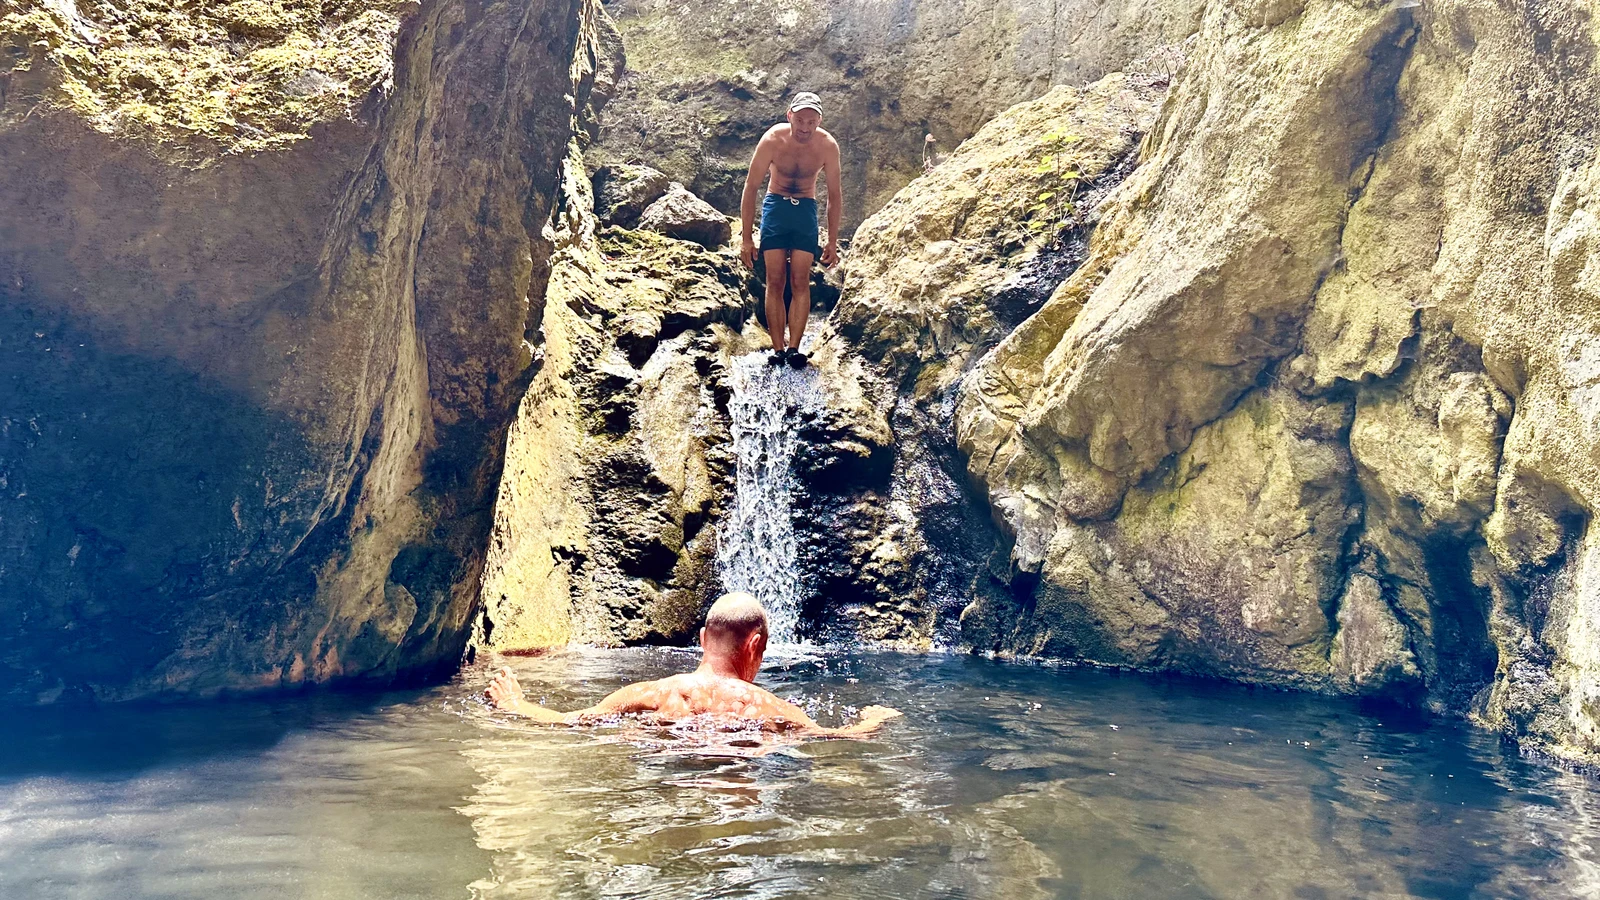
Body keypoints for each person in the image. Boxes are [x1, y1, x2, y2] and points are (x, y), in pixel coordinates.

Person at [485, 592, 901, 736]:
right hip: (739, 790)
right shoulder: (770, 709)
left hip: (666, 775)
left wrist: (515, 705)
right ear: (755, 645)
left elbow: (571, 721)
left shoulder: (646, 694)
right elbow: (838, 738)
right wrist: (873, 719)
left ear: (702, 639)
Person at [738, 91, 843, 370]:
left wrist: (832, 241)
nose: (805, 127)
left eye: (812, 121)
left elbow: (834, 194)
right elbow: (751, 186)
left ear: (819, 120)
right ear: (789, 116)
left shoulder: (828, 146)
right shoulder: (773, 139)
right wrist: (746, 238)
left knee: (799, 279)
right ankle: (777, 348)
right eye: (800, 120)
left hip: (805, 209)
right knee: (775, 278)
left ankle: (795, 348)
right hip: (776, 207)